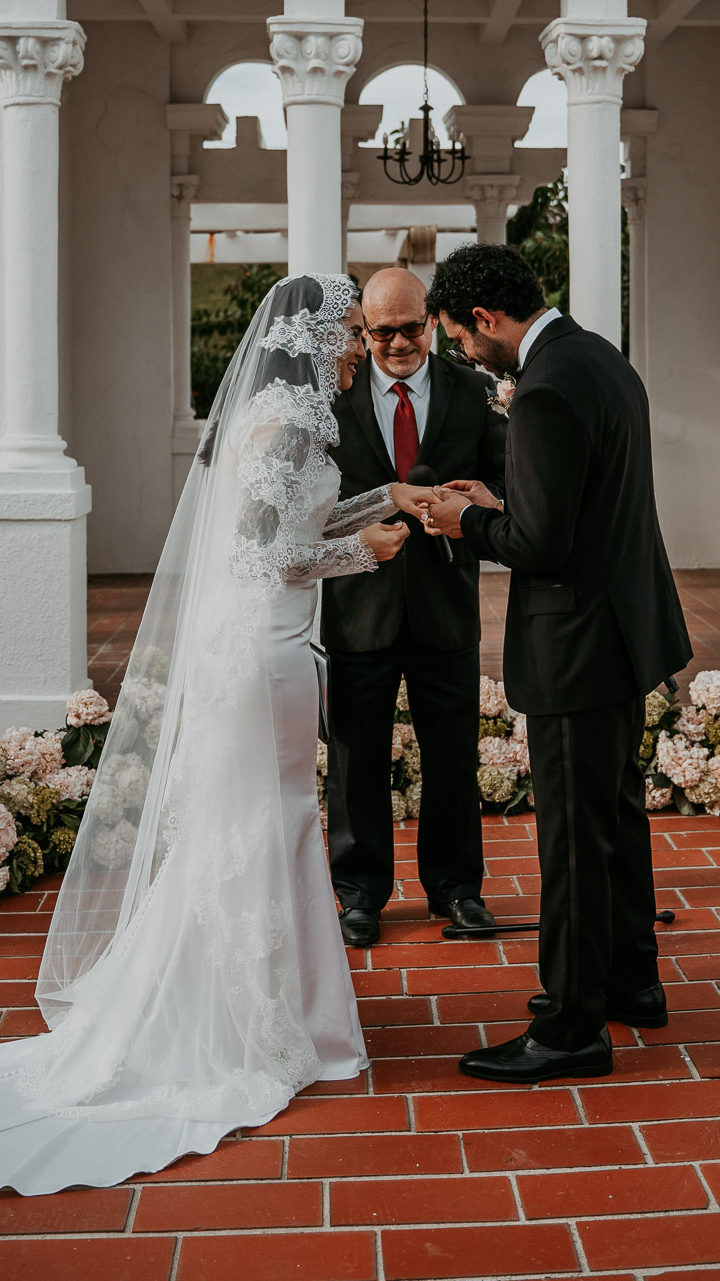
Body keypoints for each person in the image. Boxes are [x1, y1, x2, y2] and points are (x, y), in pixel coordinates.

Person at [0, 274, 441, 1199]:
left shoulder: (282, 418)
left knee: (268, 826)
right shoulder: (289, 426)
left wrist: (385, 496)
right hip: (265, 655)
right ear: (314, 339)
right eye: (350, 332)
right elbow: (258, 559)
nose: (359, 347)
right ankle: (257, 1019)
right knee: (270, 824)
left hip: (269, 650)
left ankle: (277, 1008)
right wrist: (364, 551)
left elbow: (291, 523)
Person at [421, 244, 693, 1085]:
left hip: (574, 643)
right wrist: (501, 500)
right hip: (621, 629)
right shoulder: (599, 358)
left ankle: (572, 1027)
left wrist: (464, 521)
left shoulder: (541, 389)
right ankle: (631, 981)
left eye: (462, 340)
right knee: (616, 818)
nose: (469, 356)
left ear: (486, 319)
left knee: (573, 840)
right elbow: (578, 502)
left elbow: (541, 543)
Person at [322, 267, 507, 946]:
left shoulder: (473, 391)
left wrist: (477, 503)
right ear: (364, 330)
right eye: (382, 333)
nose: (399, 343)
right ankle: (359, 895)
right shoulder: (333, 397)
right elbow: (312, 507)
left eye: (411, 328)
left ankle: (458, 890)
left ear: (431, 320)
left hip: (446, 601)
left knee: (453, 754)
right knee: (355, 759)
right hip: (358, 605)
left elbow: (502, 479)